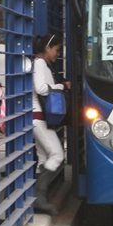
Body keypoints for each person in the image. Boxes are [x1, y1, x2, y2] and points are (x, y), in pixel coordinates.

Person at [32, 34, 67, 178]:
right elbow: (40, 88)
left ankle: (40, 197)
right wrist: (61, 86)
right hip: (39, 117)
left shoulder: (42, 63)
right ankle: (40, 192)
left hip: (39, 116)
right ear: (48, 48)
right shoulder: (40, 63)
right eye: (57, 50)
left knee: (43, 158)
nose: (58, 54)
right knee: (57, 155)